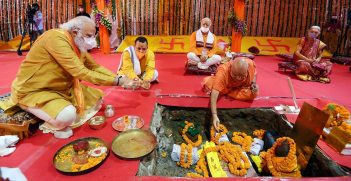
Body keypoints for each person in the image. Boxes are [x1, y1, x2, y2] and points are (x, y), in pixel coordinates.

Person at [10, 16, 138, 138]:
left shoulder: (78, 44)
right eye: (89, 36)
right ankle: (25, 104)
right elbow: (81, 72)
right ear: (75, 32)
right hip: (37, 89)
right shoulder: (55, 38)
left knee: (98, 100)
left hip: (63, 88)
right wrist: (119, 81)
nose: (92, 40)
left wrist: (119, 78)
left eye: (93, 36)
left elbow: (95, 67)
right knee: (67, 116)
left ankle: (52, 109)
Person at [202, 57, 258, 131]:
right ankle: (225, 90)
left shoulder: (250, 64)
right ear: (231, 68)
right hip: (227, 86)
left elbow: (254, 73)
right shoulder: (223, 71)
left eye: (242, 76)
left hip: (237, 88)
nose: (238, 78)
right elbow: (214, 95)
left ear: (246, 70)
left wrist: (253, 83)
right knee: (209, 84)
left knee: (254, 93)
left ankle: (227, 92)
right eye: (235, 75)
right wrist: (215, 115)